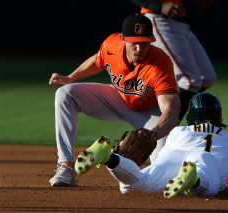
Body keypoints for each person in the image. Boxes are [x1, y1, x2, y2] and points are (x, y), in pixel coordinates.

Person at [48, 13, 180, 187]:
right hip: (117, 100)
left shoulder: (160, 63)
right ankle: (66, 166)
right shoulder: (112, 45)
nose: (139, 49)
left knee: (163, 173)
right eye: (135, 43)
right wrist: (70, 78)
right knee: (65, 93)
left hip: (148, 113)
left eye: (145, 42)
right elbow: (97, 61)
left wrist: (153, 134)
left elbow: (171, 110)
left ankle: (117, 164)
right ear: (123, 39)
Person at [75, 92, 228, 198]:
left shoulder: (178, 131)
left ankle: (109, 158)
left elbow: (165, 157)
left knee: (137, 186)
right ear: (219, 115)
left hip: (175, 157)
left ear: (191, 114)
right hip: (203, 161)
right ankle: (193, 180)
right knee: (209, 185)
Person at [128, 0, 217, 121]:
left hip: (180, 23)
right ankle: (161, 132)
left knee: (206, 77)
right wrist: (159, 5)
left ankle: (164, 125)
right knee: (190, 81)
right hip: (159, 18)